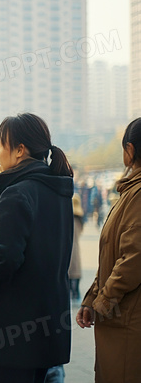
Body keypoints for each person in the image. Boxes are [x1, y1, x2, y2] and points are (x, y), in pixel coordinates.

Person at [0, 113, 74, 383]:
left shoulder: (17, 193)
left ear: (19, 150)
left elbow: (5, 258)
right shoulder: (57, 192)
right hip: (45, 328)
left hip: (9, 335)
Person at [77, 117, 141, 382]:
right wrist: (92, 298)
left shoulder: (137, 194)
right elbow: (111, 256)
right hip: (121, 318)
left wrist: (103, 302)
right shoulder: (130, 191)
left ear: (130, 150)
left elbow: (132, 260)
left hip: (128, 321)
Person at [69, 196, 84, 300]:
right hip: (76, 248)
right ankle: (76, 292)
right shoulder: (79, 220)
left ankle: (73, 291)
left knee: (70, 270)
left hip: (70, 248)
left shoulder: (69, 219)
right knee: (76, 269)